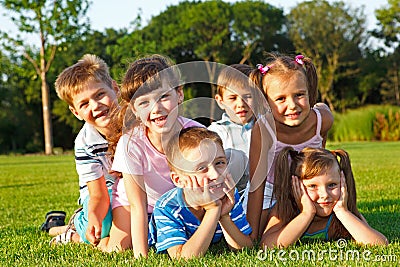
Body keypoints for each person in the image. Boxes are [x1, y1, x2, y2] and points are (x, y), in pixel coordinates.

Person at [98, 55, 204, 256]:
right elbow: (137, 206)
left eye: (164, 96)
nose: (156, 109)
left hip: (175, 204)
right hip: (134, 204)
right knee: (118, 248)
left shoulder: (196, 134)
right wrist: (141, 257)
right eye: (144, 103)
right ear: (135, 111)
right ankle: (75, 234)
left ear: (179, 94)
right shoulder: (131, 144)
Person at [246, 53, 334, 240]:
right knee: (262, 233)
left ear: (309, 91)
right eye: (280, 99)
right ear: (266, 102)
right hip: (272, 190)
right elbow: (256, 185)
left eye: (299, 95)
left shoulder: (322, 120)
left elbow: (321, 163)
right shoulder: (263, 130)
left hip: (307, 187)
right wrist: (251, 233)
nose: (292, 105)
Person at [45, 54, 119, 246]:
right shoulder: (85, 143)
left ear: (115, 88)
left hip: (132, 185)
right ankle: (76, 227)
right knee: (103, 226)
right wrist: (94, 216)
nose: (96, 106)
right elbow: (99, 194)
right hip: (102, 191)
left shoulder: (137, 122)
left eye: (100, 94)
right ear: (76, 112)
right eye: (84, 104)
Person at [149, 127, 253, 259]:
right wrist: (213, 210)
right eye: (202, 168)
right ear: (179, 180)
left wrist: (224, 216)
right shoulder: (167, 207)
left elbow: (246, 249)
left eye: (219, 163)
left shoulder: (228, 195)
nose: (215, 174)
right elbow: (183, 259)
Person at [261, 146, 388, 248]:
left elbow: (379, 244)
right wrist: (306, 214)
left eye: (332, 185)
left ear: (342, 182)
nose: (325, 195)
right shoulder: (285, 209)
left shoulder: (342, 213)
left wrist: (342, 212)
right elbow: (268, 246)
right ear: (295, 187)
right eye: (312, 186)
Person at [208, 64, 257, 197]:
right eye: (232, 98)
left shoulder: (265, 127)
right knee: (235, 156)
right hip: (230, 195)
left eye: (248, 97)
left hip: (262, 194)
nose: (241, 104)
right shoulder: (216, 132)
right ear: (220, 101)